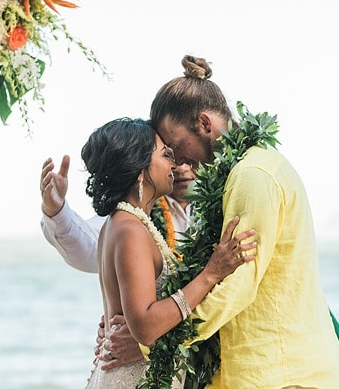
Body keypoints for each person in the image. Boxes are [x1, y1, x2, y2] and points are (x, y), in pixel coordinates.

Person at [148, 55, 339, 388]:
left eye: (175, 145)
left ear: (204, 123)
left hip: (279, 373)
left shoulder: (252, 175)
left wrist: (158, 338)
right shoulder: (246, 170)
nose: (177, 161)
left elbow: (238, 282)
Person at [54, 117, 256, 388]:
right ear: (140, 171)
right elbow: (146, 326)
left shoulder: (128, 223)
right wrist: (211, 273)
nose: (175, 164)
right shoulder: (129, 229)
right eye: (165, 155)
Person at [40, 158, 196, 369]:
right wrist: (56, 211)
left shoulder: (221, 205)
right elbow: (86, 248)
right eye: (170, 157)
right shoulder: (129, 220)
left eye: (189, 160)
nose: (181, 168)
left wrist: (151, 340)